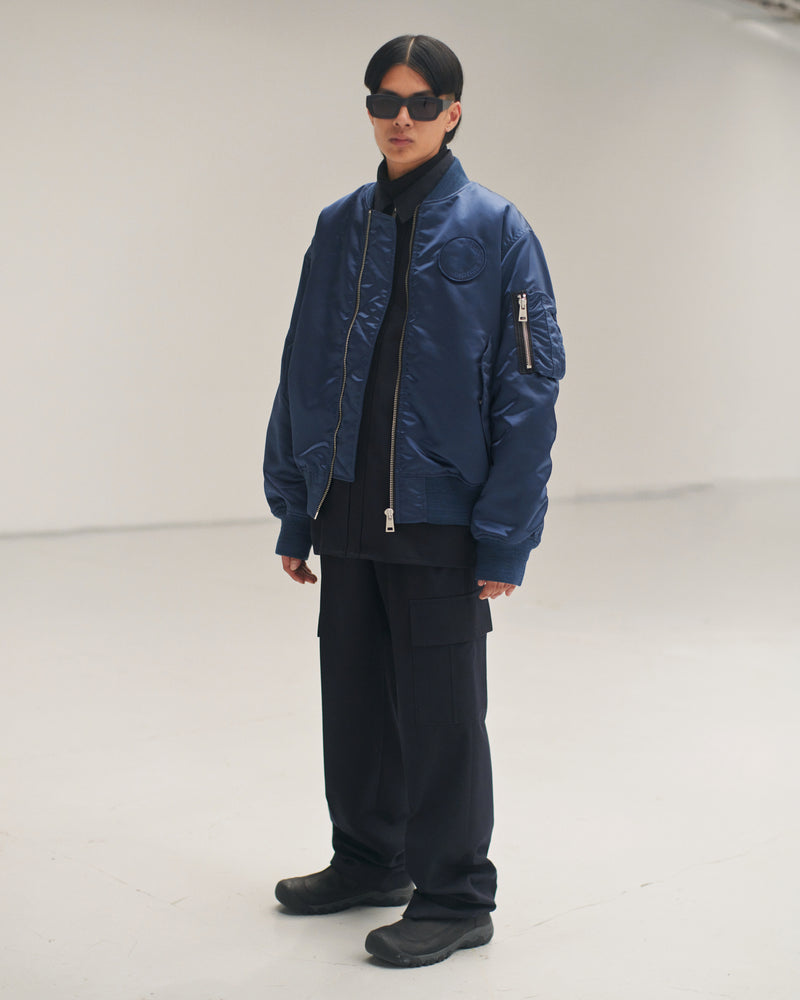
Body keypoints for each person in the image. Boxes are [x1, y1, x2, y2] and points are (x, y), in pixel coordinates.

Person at [262, 34, 565, 968]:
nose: (402, 118)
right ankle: (370, 859)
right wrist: (296, 505)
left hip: (439, 516)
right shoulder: (338, 225)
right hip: (348, 505)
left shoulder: (496, 228)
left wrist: (504, 538)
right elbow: (303, 367)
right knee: (354, 701)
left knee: (441, 715)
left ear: (453, 113)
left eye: (422, 103)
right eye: (385, 101)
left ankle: (457, 896)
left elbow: (529, 390)